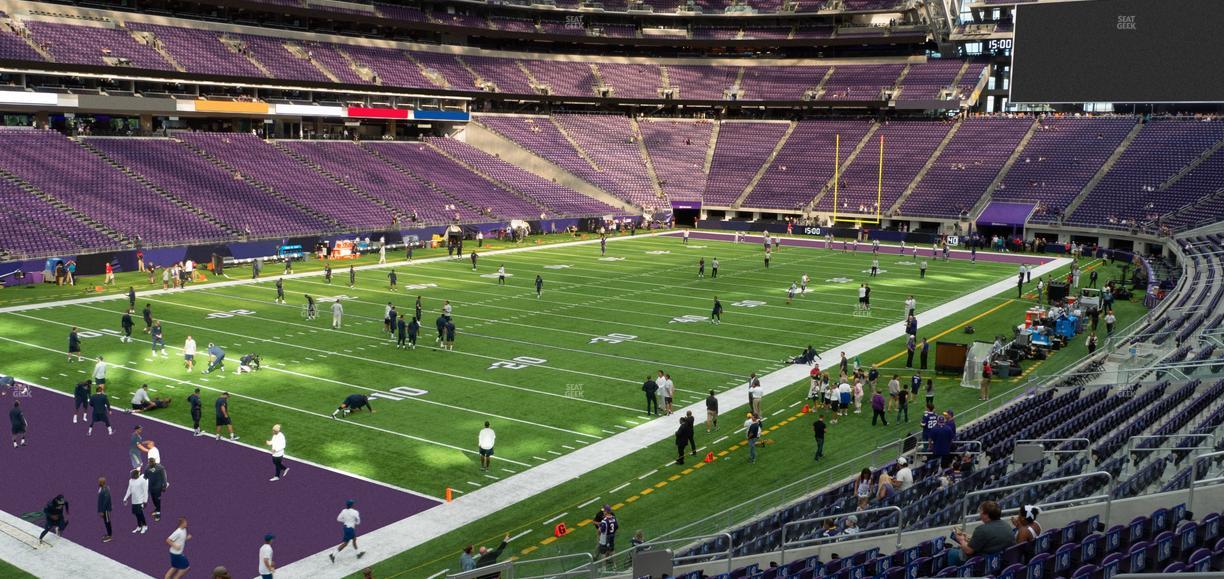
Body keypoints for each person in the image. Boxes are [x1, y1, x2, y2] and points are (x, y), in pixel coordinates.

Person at [948, 501, 1012, 565]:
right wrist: (968, 537)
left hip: (983, 563)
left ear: (986, 515)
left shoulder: (981, 529)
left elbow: (968, 551)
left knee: (951, 553)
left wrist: (961, 539)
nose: (980, 514)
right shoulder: (1007, 525)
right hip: (1001, 560)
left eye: (981, 512)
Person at [123, 469, 149, 534]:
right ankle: (139, 526)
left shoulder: (142, 480)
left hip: (140, 501)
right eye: (131, 476)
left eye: (133, 476)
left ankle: (145, 526)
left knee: (140, 514)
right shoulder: (130, 481)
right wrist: (125, 498)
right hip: (134, 501)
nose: (131, 477)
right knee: (136, 514)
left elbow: (145, 491)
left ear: (137, 474)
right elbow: (129, 490)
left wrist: (145, 501)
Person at [98, 477, 113, 543]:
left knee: (107, 522)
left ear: (102, 482)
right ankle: (108, 534)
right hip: (104, 509)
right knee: (106, 522)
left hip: (105, 510)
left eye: (99, 482)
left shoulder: (105, 490)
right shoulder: (102, 489)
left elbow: (105, 502)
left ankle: (109, 536)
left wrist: (102, 511)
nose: (98, 483)